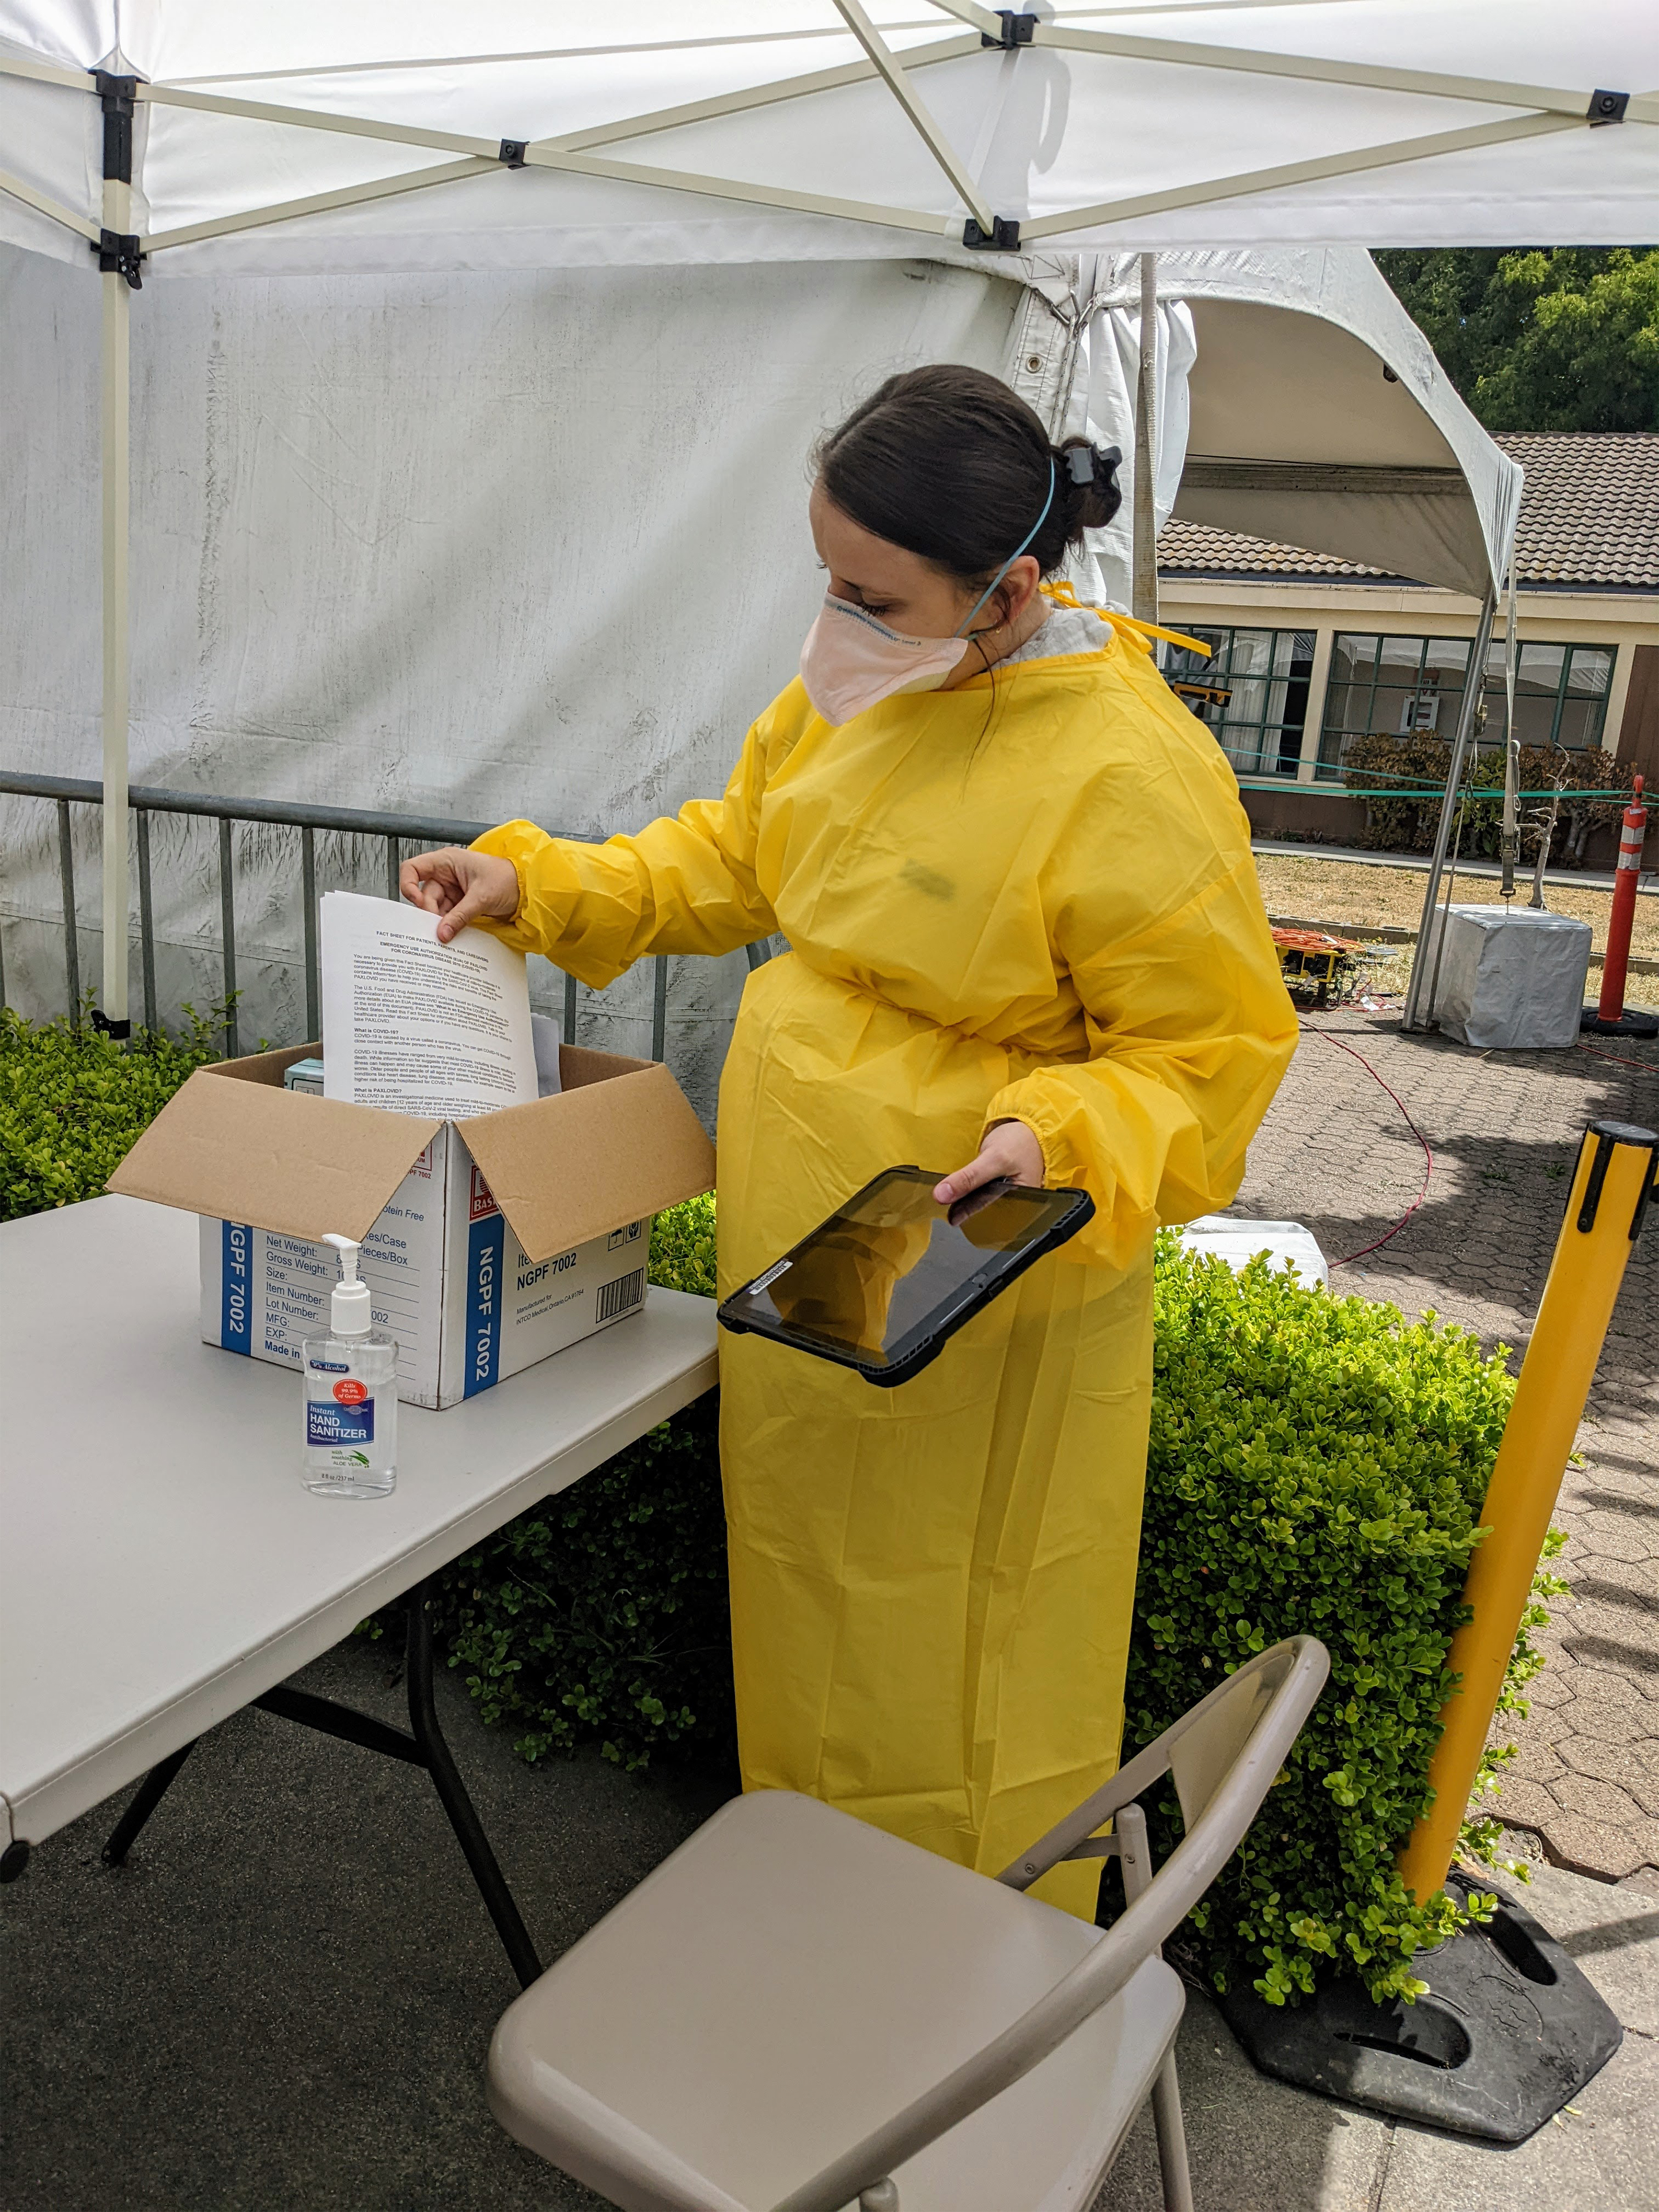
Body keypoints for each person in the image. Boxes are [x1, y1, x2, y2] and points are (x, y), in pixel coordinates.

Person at [402, 364, 1297, 1917]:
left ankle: (962, 1974)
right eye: (829, 579)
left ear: (1009, 590)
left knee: (966, 1649)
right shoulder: (877, 686)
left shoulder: (1130, 771)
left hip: (982, 1274)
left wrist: (1059, 1132)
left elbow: (1206, 1057)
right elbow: (738, 854)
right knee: (809, 1592)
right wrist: (537, 888)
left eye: (873, 593)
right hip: (810, 1267)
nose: (837, 620)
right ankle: (807, 1916)